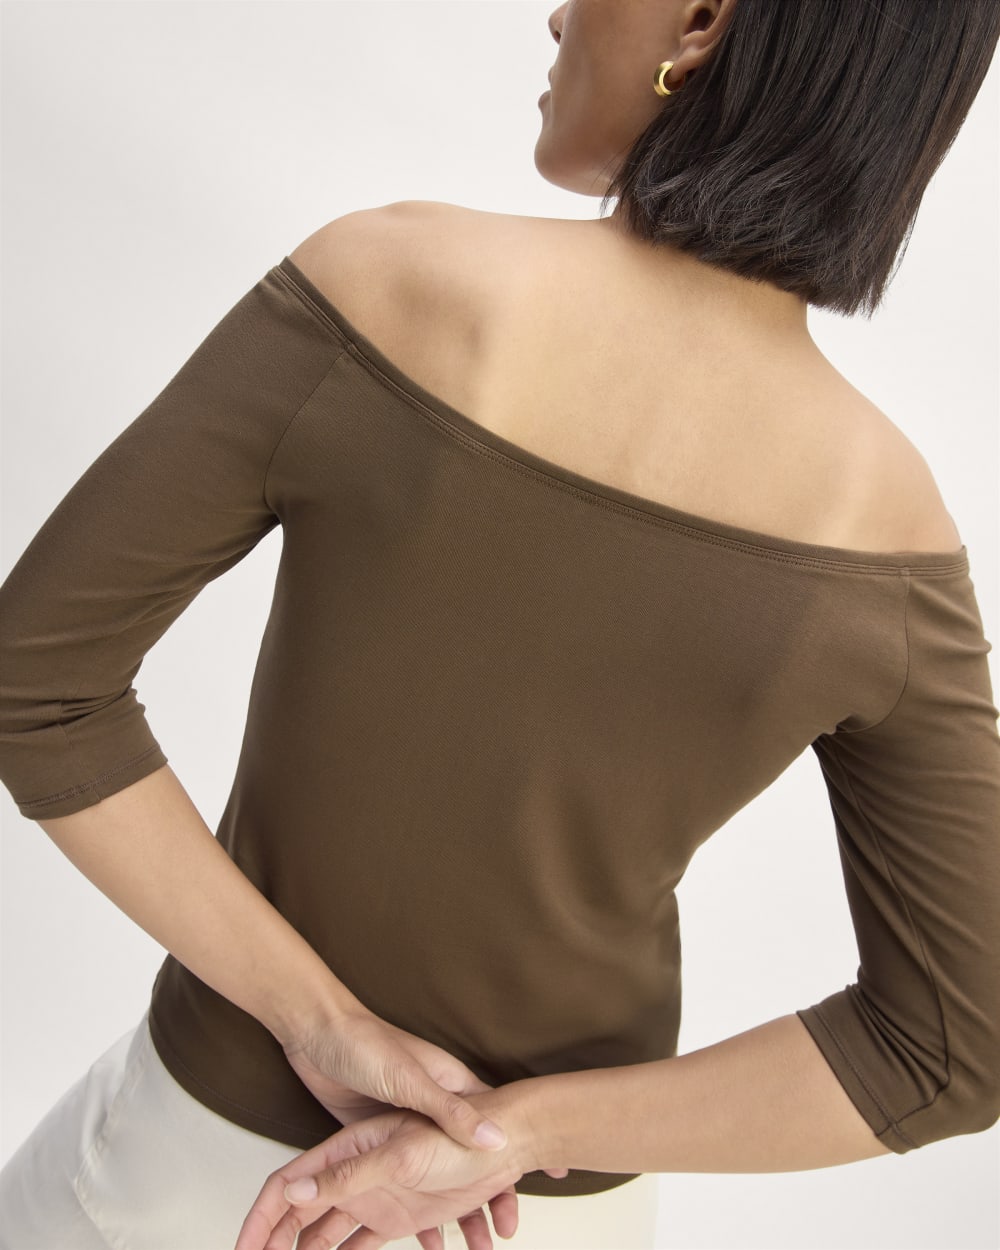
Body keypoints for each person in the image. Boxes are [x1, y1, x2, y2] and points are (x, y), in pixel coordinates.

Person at [1, 0, 999, 1247]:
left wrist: (322, 1020)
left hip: (201, 1179)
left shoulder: (388, 283)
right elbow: (952, 1047)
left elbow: (36, 682)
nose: (560, 13)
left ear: (700, 22)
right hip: (538, 1218)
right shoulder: (890, 520)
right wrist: (511, 1134)